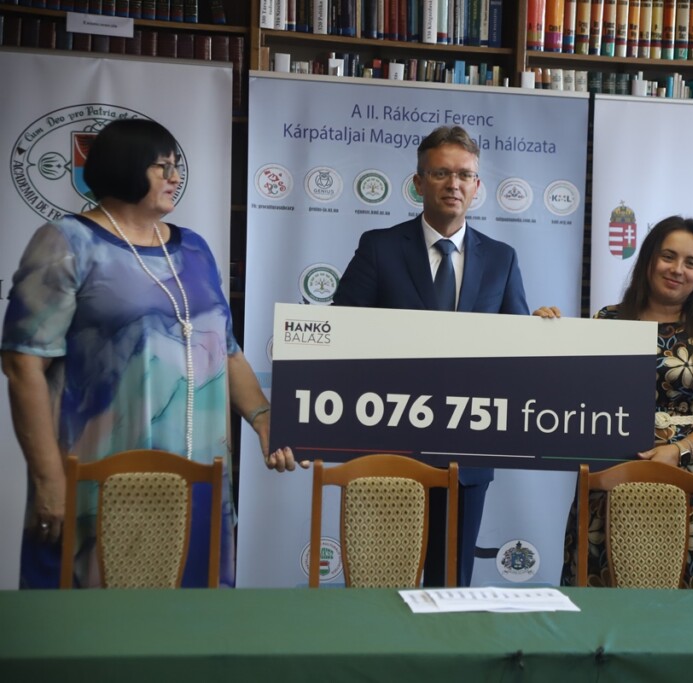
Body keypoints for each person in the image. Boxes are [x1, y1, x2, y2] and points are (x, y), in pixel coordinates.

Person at [1, 119, 304, 589]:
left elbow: (226, 352)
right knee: (98, 622)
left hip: (199, 481)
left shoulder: (195, 249)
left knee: (190, 620)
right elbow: (23, 365)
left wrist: (264, 419)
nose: (175, 177)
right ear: (125, 166)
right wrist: (47, 478)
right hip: (102, 480)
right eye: (163, 167)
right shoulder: (67, 242)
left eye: (176, 166)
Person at [334, 125, 545, 587]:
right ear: (418, 182)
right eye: (441, 173)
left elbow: (518, 357)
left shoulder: (502, 258)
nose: (454, 184)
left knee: (450, 591)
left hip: (467, 456)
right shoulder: (379, 248)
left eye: (465, 175)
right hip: (389, 447)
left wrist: (540, 333)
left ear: (477, 186)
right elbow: (340, 337)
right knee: (380, 590)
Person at [559, 216, 693, 589]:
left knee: (691, 602)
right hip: (612, 482)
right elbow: (573, 397)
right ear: (648, 260)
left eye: (691, 263)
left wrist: (678, 451)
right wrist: (545, 333)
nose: (677, 269)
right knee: (607, 597)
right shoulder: (607, 321)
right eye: (668, 256)